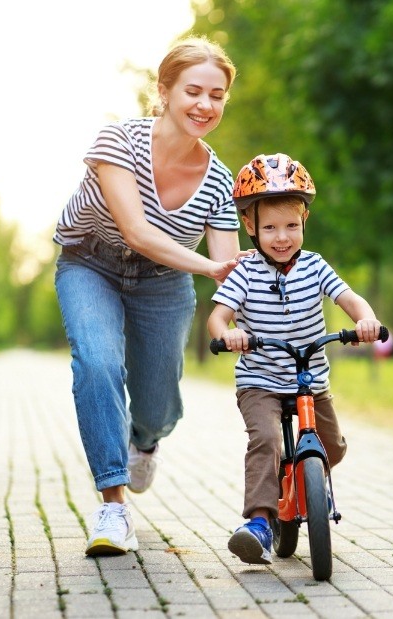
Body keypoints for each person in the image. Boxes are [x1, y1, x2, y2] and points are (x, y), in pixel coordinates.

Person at [54, 37, 249, 557]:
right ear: (163, 91)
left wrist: (242, 316)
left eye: (217, 95)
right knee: (96, 362)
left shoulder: (220, 180)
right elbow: (137, 231)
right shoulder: (117, 142)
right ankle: (113, 506)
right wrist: (209, 265)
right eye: (193, 91)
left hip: (164, 282)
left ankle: (147, 440)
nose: (205, 105)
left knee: (158, 401)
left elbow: (229, 272)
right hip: (89, 263)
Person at [207, 153, 382, 565]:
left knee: (333, 448)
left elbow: (349, 298)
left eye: (291, 225)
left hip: (310, 380)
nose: (281, 236)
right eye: (269, 227)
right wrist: (228, 335)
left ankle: (299, 479)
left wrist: (367, 320)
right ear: (250, 226)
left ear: (304, 220)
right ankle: (260, 523)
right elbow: (217, 317)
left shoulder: (315, 266)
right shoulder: (245, 273)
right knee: (265, 441)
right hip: (261, 381)